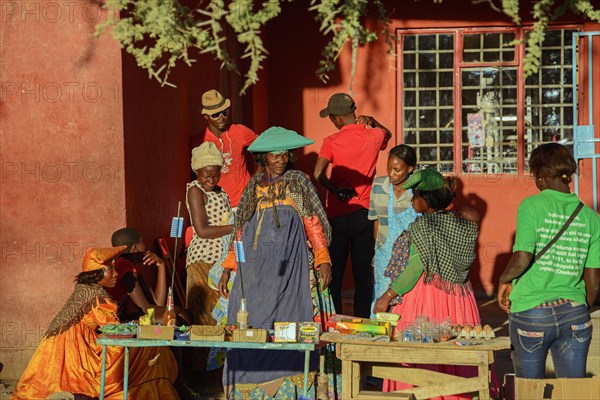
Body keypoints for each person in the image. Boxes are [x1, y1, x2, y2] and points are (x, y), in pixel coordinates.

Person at [218, 126, 335, 399]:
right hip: (256, 273)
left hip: (293, 270)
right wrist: (229, 267)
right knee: (252, 324)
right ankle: (251, 387)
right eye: (275, 155)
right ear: (263, 159)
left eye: (285, 154)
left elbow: (313, 223)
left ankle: (292, 386)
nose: (282, 159)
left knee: (293, 321)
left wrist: (323, 259)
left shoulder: (298, 182)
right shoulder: (253, 187)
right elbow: (240, 231)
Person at [373, 169, 486, 399]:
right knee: (456, 351)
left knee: (420, 355)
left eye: (415, 196)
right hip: (459, 299)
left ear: (426, 201)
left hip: (426, 300)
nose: (412, 201)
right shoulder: (461, 224)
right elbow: (471, 213)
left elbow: (414, 269)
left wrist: (386, 296)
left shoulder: (422, 227)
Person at [12, 246, 179, 400]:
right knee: (153, 348)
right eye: (111, 270)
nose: (115, 274)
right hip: (78, 360)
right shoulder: (99, 298)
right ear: (98, 273)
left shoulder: (84, 289)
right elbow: (116, 332)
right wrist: (140, 325)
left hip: (55, 359)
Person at [497, 142, 600, 379]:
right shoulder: (592, 218)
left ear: (541, 176)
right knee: (574, 393)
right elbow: (593, 282)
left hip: (532, 313)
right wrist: (577, 311)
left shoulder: (531, 205)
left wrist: (503, 279)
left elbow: (523, 258)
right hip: (575, 312)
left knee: (529, 390)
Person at [314, 92, 391, 317]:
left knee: (334, 275)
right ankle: (361, 324)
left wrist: (336, 190)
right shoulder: (374, 136)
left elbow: (318, 172)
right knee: (363, 278)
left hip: (337, 216)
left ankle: (335, 320)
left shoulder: (331, 141)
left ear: (337, 118)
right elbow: (388, 133)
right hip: (365, 216)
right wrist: (373, 121)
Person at [368, 144, 419, 317]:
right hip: (384, 257)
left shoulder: (418, 191)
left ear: (410, 169)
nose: (391, 174)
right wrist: (379, 250)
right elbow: (377, 222)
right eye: (388, 168)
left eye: (397, 170)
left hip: (410, 258)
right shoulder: (378, 186)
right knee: (381, 303)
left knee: (406, 304)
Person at [192, 89, 258, 209]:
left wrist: (257, 177)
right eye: (216, 115)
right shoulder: (199, 142)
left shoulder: (240, 132)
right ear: (206, 116)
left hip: (247, 202)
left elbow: (265, 148)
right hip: (218, 206)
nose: (221, 117)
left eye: (224, 112)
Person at [107, 227, 169, 322]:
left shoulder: (130, 266)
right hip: (113, 322)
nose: (145, 245)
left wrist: (161, 264)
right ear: (135, 247)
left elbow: (157, 303)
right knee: (175, 318)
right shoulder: (125, 266)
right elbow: (146, 310)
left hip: (120, 319)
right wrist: (175, 310)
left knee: (171, 316)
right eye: (142, 241)